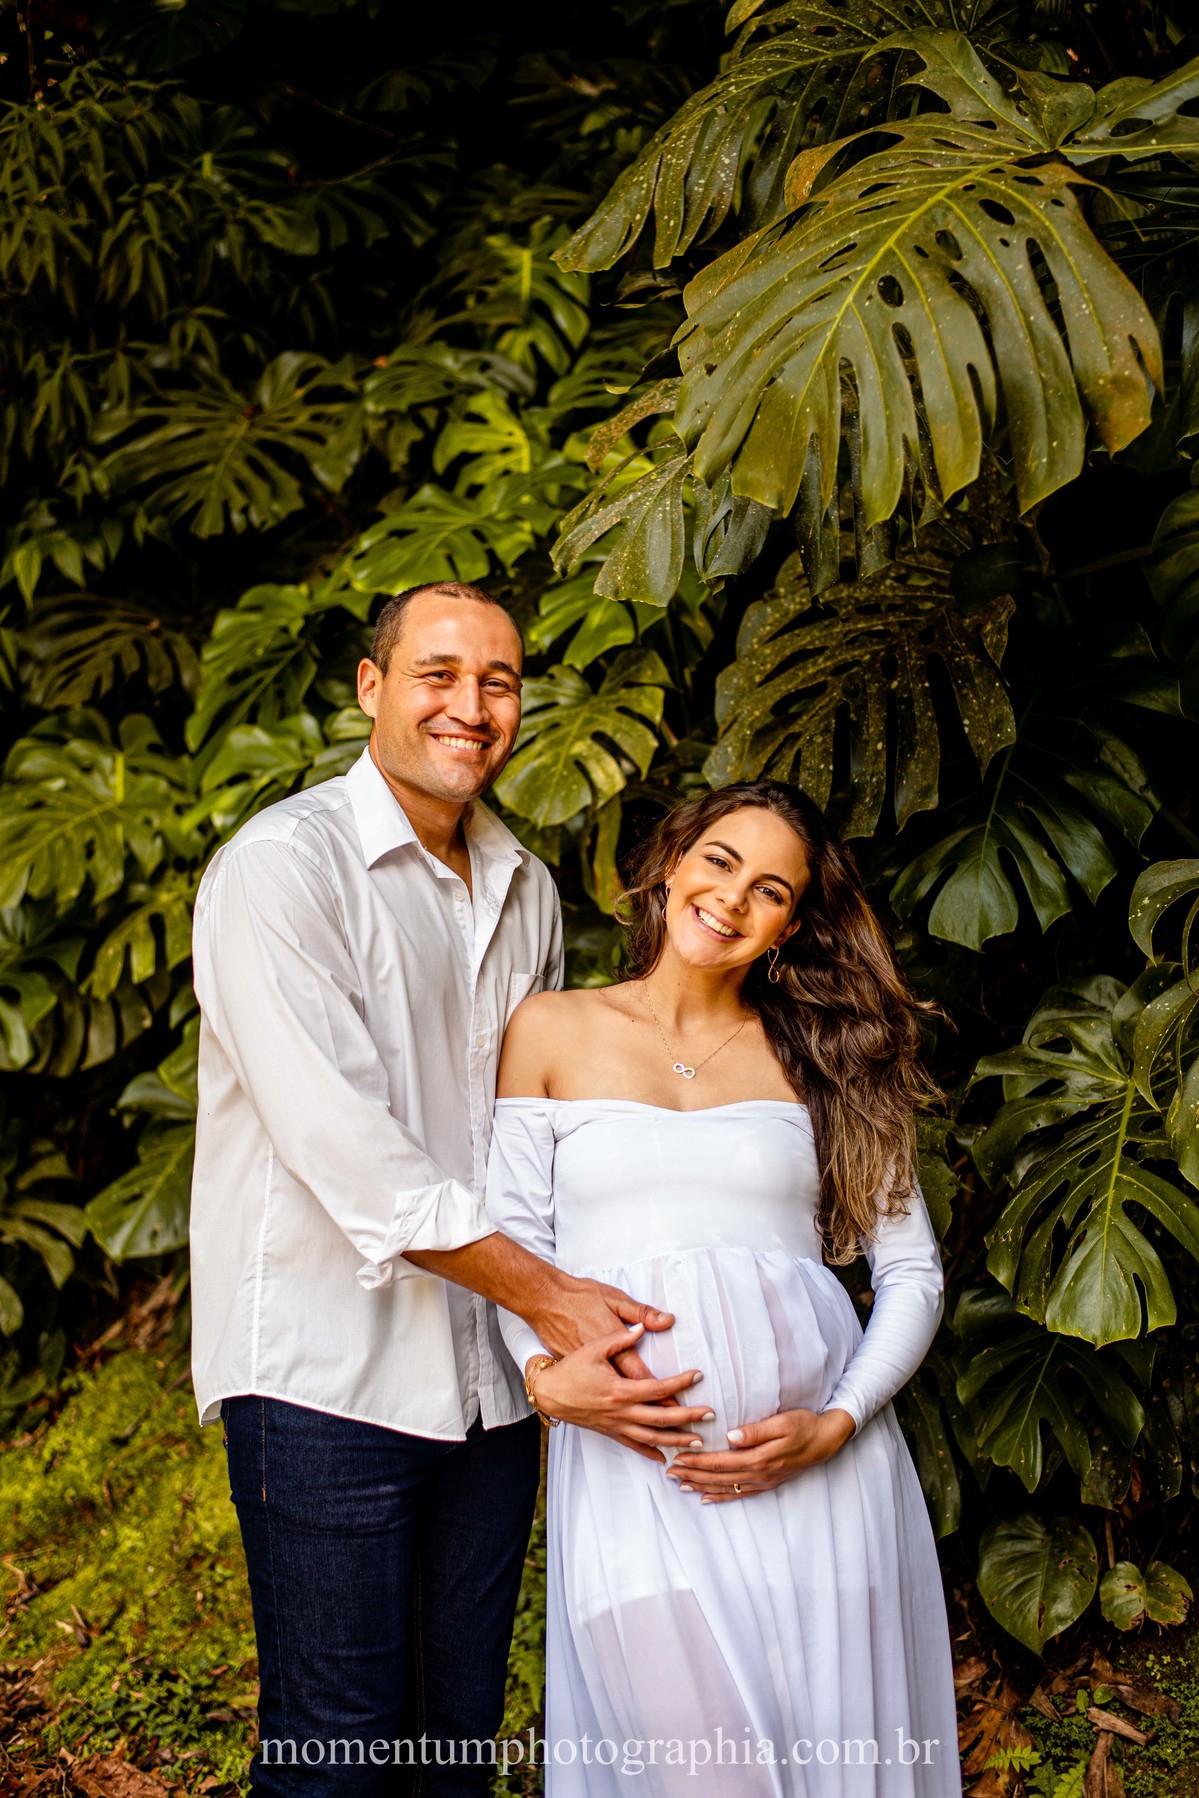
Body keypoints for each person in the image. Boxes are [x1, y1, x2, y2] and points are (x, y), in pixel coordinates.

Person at [188, 580, 713, 1795]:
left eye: (499, 681)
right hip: (328, 1374)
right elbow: (346, 1149)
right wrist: (556, 1298)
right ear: (372, 687)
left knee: (454, 1740)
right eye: (438, 674)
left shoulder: (524, 885)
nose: (471, 706)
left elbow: (531, 1138)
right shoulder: (282, 869)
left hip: (491, 1388)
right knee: (337, 1750)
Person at [485, 780, 962, 1796]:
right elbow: (511, 1248)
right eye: (719, 860)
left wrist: (837, 1422)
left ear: (792, 925)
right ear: (671, 863)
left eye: (771, 889)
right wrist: (543, 1375)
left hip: (823, 1486)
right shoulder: (551, 1029)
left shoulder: (828, 1056)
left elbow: (911, 1270)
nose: (733, 898)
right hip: (638, 1479)